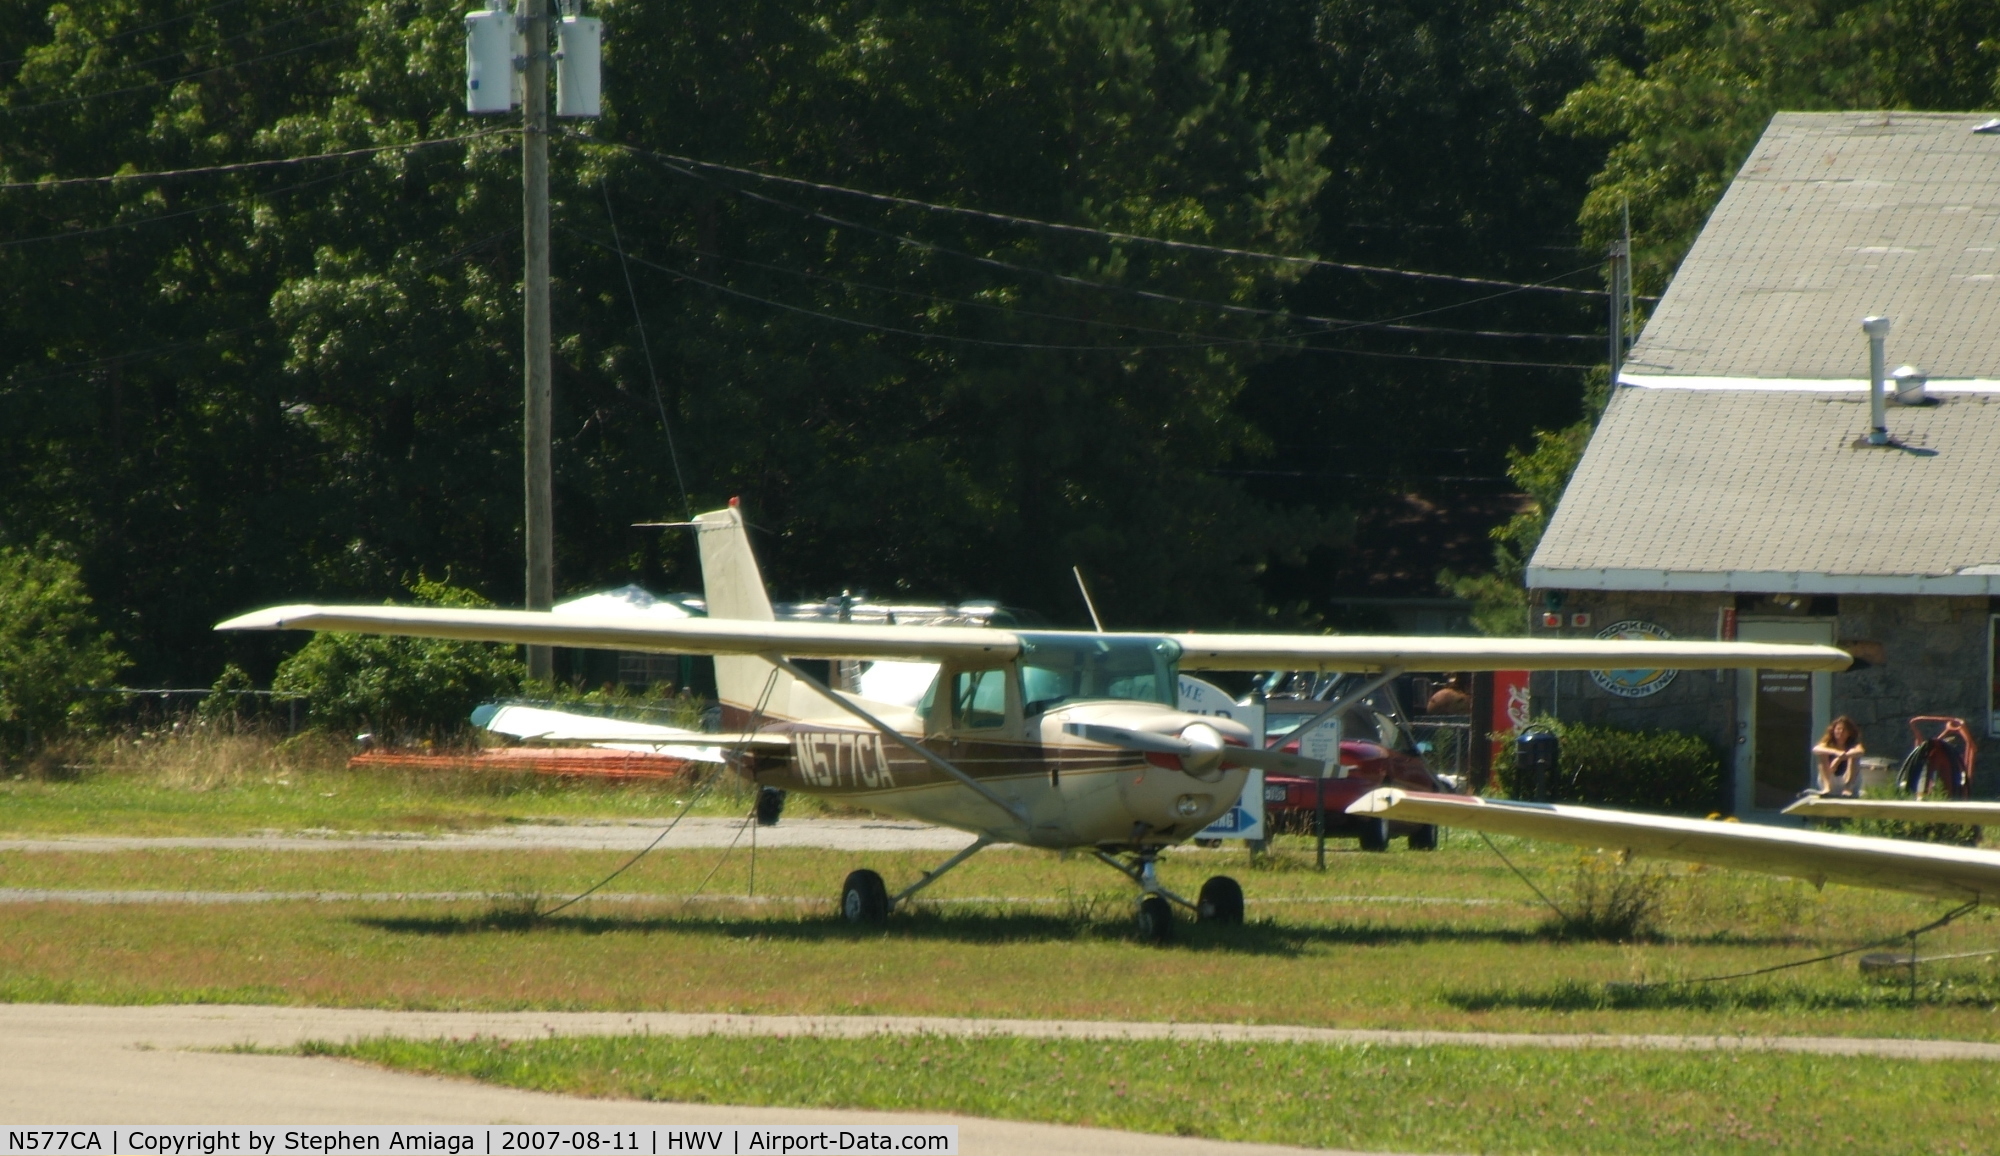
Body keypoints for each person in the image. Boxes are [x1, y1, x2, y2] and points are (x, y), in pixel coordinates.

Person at [1811, 716, 1865, 796]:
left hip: (1849, 781)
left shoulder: (1853, 744)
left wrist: (1839, 759)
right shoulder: (1828, 743)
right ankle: (1827, 787)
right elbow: (1816, 749)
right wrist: (1836, 752)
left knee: (1854, 755)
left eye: (1844, 730)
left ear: (1849, 733)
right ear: (1833, 730)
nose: (1841, 732)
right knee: (1822, 754)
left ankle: (1848, 788)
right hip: (1831, 780)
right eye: (1838, 729)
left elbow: (1860, 751)